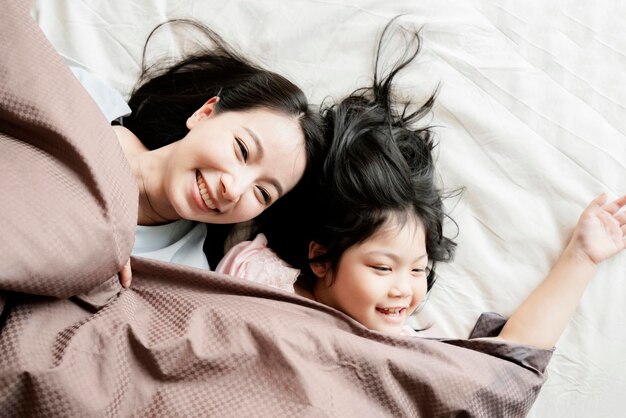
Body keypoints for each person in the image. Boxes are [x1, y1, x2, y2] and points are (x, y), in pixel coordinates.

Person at [217, 20, 626, 347]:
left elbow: (508, 363)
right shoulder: (259, 274)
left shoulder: (402, 342)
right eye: (382, 267)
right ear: (321, 258)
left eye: (417, 269)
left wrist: (582, 256)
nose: (404, 290)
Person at [99, 20, 325, 287]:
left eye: (262, 193)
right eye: (242, 150)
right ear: (204, 113)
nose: (234, 189)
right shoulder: (87, 100)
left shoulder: (184, 277)